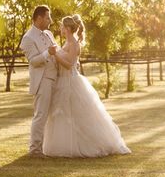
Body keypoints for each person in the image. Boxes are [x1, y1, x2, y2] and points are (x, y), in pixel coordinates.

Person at [43, 15, 131, 158]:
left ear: (67, 28)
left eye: (61, 27)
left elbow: (70, 64)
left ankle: (89, 144)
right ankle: (63, 145)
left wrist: (56, 55)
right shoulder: (66, 43)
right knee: (62, 114)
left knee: (78, 114)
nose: (60, 29)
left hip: (71, 82)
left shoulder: (74, 44)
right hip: (62, 82)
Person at [19, 5, 59, 157]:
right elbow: (33, 61)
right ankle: (35, 150)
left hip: (55, 77)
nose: (50, 20)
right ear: (39, 18)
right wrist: (47, 53)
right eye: (48, 17)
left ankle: (50, 146)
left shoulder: (48, 33)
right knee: (41, 115)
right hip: (42, 80)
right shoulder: (28, 38)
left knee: (54, 114)